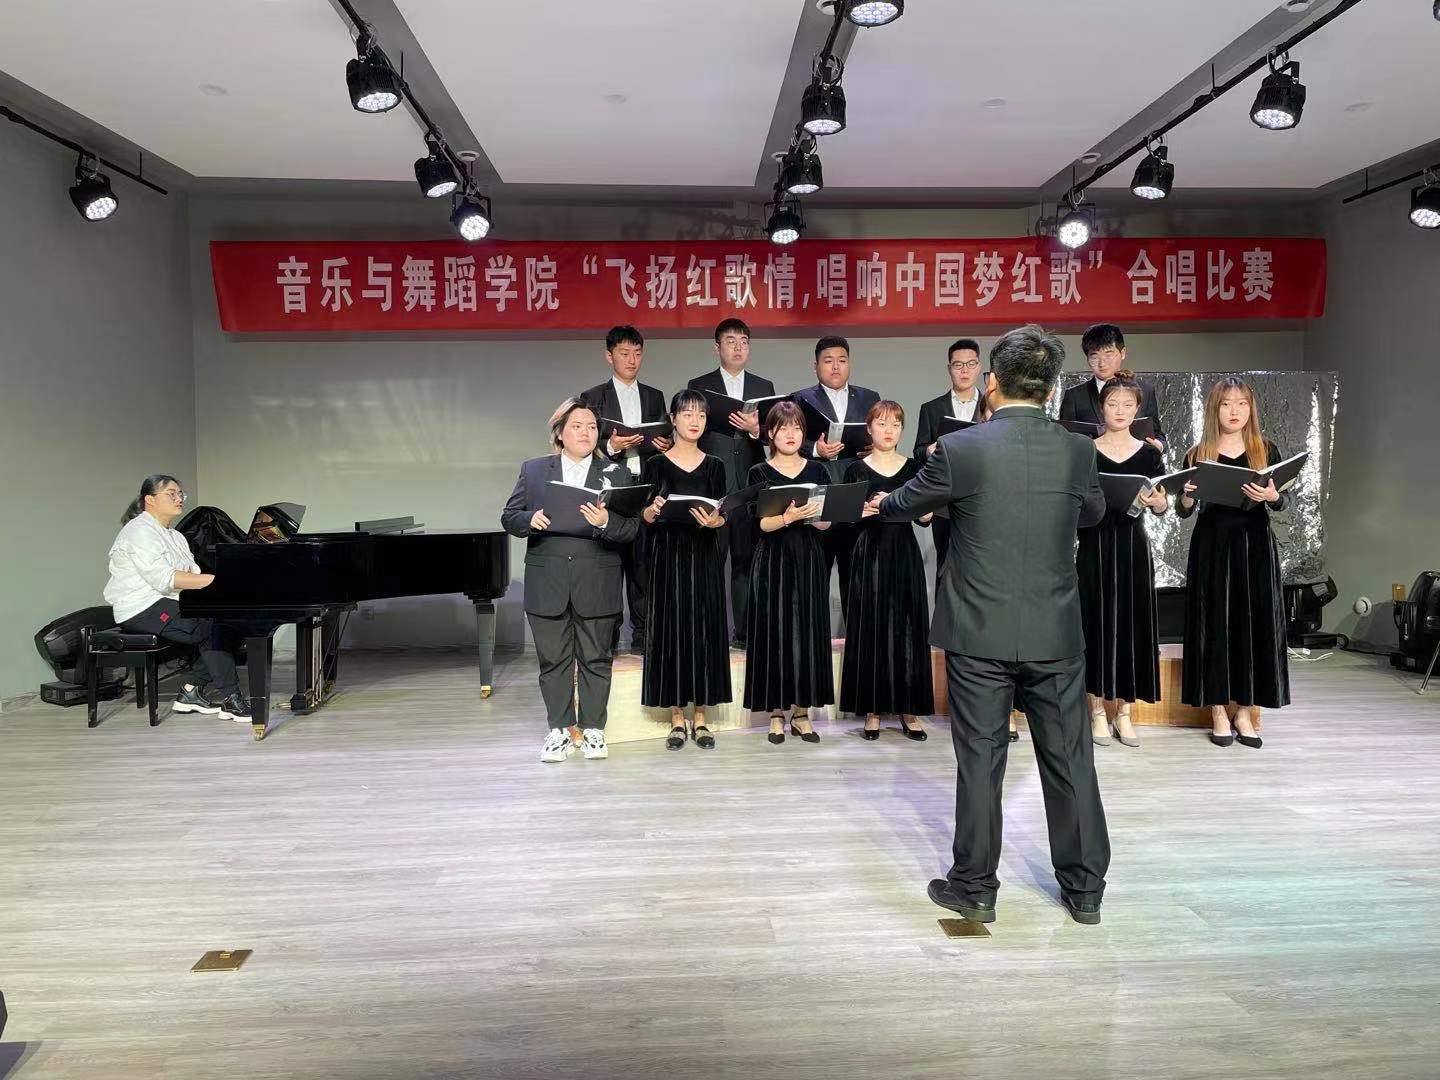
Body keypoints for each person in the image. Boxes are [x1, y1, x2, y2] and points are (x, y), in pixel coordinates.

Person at [873, 325, 1110, 926]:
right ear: (1050, 388)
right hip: (1055, 631)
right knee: (1070, 759)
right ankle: (1085, 891)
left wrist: (893, 501)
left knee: (981, 760)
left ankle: (975, 888)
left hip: (979, 632)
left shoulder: (962, 449)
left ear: (993, 382)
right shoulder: (1078, 450)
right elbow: (1093, 512)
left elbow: (903, 503)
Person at [501, 398, 640, 764]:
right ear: (560, 433)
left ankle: (593, 729)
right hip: (548, 580)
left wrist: (605, 522)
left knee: (597, 659)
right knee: (553, 661)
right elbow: (509, 516)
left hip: (597, 579)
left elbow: (630, 529)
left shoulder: (616, 473)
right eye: (577, 426)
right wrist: (530, 519)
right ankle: (560, 729)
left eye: (592, 427)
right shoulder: (534, 470)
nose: (585, 433)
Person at [1177, 377, 1291, 749]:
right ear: (1215, 409)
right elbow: (1183, 509)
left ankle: (1244, 710)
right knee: (1214, 624)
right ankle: (1217, 710)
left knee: (1252, 624)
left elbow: (1282, 502)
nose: (1234, 411)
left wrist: (1272, 496)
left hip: (1254, 545)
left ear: (1250, 408)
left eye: (1241, 403)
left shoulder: (1265, 450)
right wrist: (1187, 496)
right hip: (1212, 546)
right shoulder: (1198, 453)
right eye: (1226, 404)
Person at [103, 474, 252, 723]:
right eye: (171, 494)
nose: (179, 498)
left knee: (234, 622)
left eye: (180, 493)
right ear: (150, 499)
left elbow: (192, 575)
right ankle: (231, 700)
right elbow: (166, 579)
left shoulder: (176, 536)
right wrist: (220, 581)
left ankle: (191, 691)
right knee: (209, 626)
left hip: (168, 600)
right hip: (141, 607)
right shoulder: (139, 532)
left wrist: (222, 588)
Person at [1077, 370, 1170, 749]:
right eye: (1113, 404)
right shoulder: (1085, 450)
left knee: (1132, 625)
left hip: (1132, 545)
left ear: (1137, 409)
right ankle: (1097, 710)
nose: (1119, 410)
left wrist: (1158, 502)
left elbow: (1163, 504)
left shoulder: (1149, 453)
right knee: (1094, 623)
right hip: (1093, 546)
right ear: (1102, 408)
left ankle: (1126, 712)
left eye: (1127, 405)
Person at [640, 389, 731, 750]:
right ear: (673, 419)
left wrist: (715, 521)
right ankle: (677, 717)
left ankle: (702, 717)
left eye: (701, 415)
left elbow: (723, 514)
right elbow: (645, 516)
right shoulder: (656, 464)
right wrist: (652, 510)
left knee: (704, 630)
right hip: (668, 555)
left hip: (704, 552)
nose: (695, 421)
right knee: (673, 630)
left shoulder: (716, 465)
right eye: (688, 414)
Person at [841, 401, 934, 741]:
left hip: (903, 552)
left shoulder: (913, 468)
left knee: (907, 629)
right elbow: (845, 517)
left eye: (895, 424)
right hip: (869, 553)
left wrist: (903, 503)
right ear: (869, 429)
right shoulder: (855, 469)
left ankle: (909, 710)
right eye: (881, 423)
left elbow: (925, 517)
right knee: (872, 628)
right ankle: (873, 710)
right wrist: (862, 511)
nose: (889, 430)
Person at [744, 401, 834, 745]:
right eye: (783, 428)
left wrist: (816, 515)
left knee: (806, 632)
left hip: (808, 557)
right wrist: (787, 518)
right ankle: (776, 713)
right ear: (771, 433)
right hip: (773, 560)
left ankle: (801, 713)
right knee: (775, 633)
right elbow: (761, 525)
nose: (791, 434)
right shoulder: (759, 472)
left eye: (797, 427)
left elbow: (826, 524)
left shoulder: (817, 470)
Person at [579, 325, 669, 655]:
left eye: (637, 353)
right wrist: (612, 446)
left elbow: (664, 437)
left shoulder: (654, 396)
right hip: (610, 490)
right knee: (609, 566)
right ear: (609, 356)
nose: (632, 360)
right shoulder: (593, 398)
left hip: (644, 489)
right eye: (624, 353)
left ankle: (644, 637)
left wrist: (664, 444)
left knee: (643, 566)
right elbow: (584, 445)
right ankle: (609, 639)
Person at [687, 318, 776, 649]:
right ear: (717, 347)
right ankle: (707, 634)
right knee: (710, 560)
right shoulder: (700, 385)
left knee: (746, 559)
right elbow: (692, 431)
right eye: (730, 341)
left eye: (743, 342)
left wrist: (755, 430)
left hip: (750, 484)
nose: (738, 347)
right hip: (714, 482)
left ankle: (745, 633)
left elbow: (771, 435)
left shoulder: (763, 386)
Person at [790, 336, 880, 623]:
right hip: (819, 493)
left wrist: (873, 446)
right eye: (828, 361)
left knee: (856, 572)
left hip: (856, 491)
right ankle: (814, 637)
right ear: (815, 366)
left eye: (842, 360)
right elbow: (786, 439)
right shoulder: (800, 399)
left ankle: (857, 637)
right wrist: (816, 449)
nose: (836, 367)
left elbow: (879, 436)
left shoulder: (869, 398)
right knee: (815, 571)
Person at [912, 338, 983, 583]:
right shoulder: (931, 408)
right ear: (949, 368)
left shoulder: (991, 407)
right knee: (945, 568)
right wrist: (929, 451)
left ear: (978, 366)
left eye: (970, 364)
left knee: (980, 569)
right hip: (943, 502)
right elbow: (917, 452)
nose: (964, 370)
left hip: (980, 498)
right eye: (958, 365)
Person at [1059, 324, 1167, 451]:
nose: (1102, 363)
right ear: (1087, 358)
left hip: (1135, 461)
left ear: (1123, 353)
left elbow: (1157, 435)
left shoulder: (1145, 390)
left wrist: (1159, 445)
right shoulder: (1074, 396)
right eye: (1094, 356)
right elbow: (1063, 440)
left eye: (1108, 355)